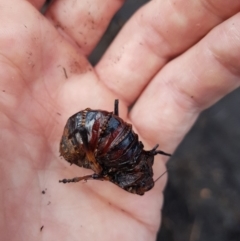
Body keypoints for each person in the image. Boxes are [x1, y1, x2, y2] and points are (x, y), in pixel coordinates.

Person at [0, 0, 239, 240]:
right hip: (87, 135)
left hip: (95, 135)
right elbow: (107, 170)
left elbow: (108, 170)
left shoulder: (118, 167)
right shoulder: (114, 167)